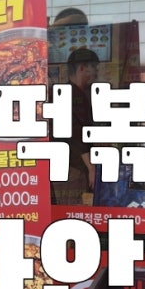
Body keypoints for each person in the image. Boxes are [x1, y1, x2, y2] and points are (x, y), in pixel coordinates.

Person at [52, 46, 99, 205]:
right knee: (72, 211)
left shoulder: (69, 92)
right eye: (94, 67)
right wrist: (91, 168)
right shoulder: (74, 95)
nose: (96, 72)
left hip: (67, 167)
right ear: (82, 68)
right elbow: (76, 134)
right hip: (72, 168)